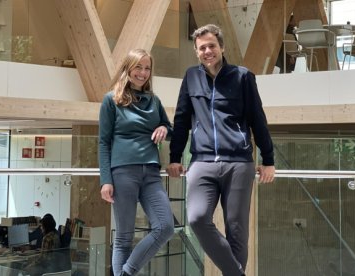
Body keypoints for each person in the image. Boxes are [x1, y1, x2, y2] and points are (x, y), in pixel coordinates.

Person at [166, 24, 275, 276]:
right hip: (202, 162)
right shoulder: (191, 77)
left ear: (222, 47)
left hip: (238, 162)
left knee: (236, 229)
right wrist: (174, 157)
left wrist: (268, 159)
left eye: (212, 46)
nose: (207, 51)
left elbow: (258, 119)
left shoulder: (242, 76)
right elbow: (182, 120)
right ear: (196, 51)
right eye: (202, 47)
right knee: (197, 218)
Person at [98, 49, 174, 276]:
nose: (143, 73)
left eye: (147, 68)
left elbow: (171, 130)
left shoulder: (154, 100)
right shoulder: (111, 99)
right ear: (128, 68)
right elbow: (103, 142)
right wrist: (105, 180)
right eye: (138, 67)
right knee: (123, 238)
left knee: (165, 227)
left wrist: (163, 128)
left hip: (151, 173)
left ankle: (125, 273)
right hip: (123, 173)